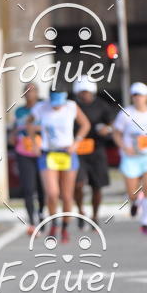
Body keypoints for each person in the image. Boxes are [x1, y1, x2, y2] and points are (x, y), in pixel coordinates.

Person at [28, 90, 90, 243]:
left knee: (67, 195)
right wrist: (35, 143)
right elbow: (28, 123)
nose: (56, 107)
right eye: (54, 104)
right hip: (48, 154)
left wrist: (76, 143)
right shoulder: (41, 107)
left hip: (67, 153)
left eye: (59, 104)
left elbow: (85, 124)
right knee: (52, 193)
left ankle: (65, 227)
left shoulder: (71, 106)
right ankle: (54, 224)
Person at [72, 77, 117, 227]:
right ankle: (80, 211)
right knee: (78, 184)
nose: (85, 95)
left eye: (87, 92)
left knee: (96, 186)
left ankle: (95, 215)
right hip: (77, 150)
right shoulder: (72, 106)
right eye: (82, 92)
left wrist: (107, 129)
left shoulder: (102, 105)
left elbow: (112, 123)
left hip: (96, 149)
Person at [112, 82, 147, 236]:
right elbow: (116, 133)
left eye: (141, 95)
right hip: (130, 157)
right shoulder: (125, 113)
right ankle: (136, 202)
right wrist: (124, 147)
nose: (138, 99)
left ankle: (145, 223)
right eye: (135, 96)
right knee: (132, 193)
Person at [9, 82, 44, 235]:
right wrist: (13, 134)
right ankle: (31, 221)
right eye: (26, 91)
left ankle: (42, 215)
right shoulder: (19, 112)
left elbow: (48, 126)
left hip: (41, 151)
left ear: (37, 93)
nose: (29, 94)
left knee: (42, 188)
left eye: (32, 91)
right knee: (28, 188)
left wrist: (34, 128)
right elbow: (16, 128)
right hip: (23, 151)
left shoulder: (43, 109)